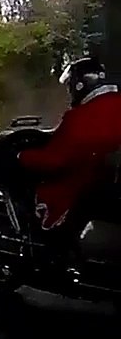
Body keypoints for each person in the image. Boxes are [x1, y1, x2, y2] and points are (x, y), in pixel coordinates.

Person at [17, 57, 121, 234]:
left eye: (70, 86)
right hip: (110, 186)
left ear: (79, 85)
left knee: (41, 201)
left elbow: (57, 160)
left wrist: (23, 156)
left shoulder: (80, 117)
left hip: (83, 188)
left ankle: (47, 247)